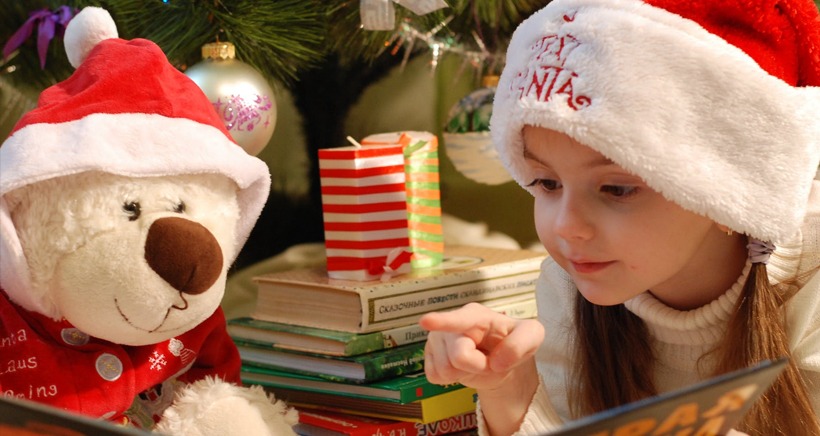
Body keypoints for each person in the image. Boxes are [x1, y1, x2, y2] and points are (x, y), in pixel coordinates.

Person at [420, 0, 820, 434]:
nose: (565, 227)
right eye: (547, 184)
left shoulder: (811, 280)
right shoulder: (567, 287)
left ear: (729, 191)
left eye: (617, 188)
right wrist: (510, 394)